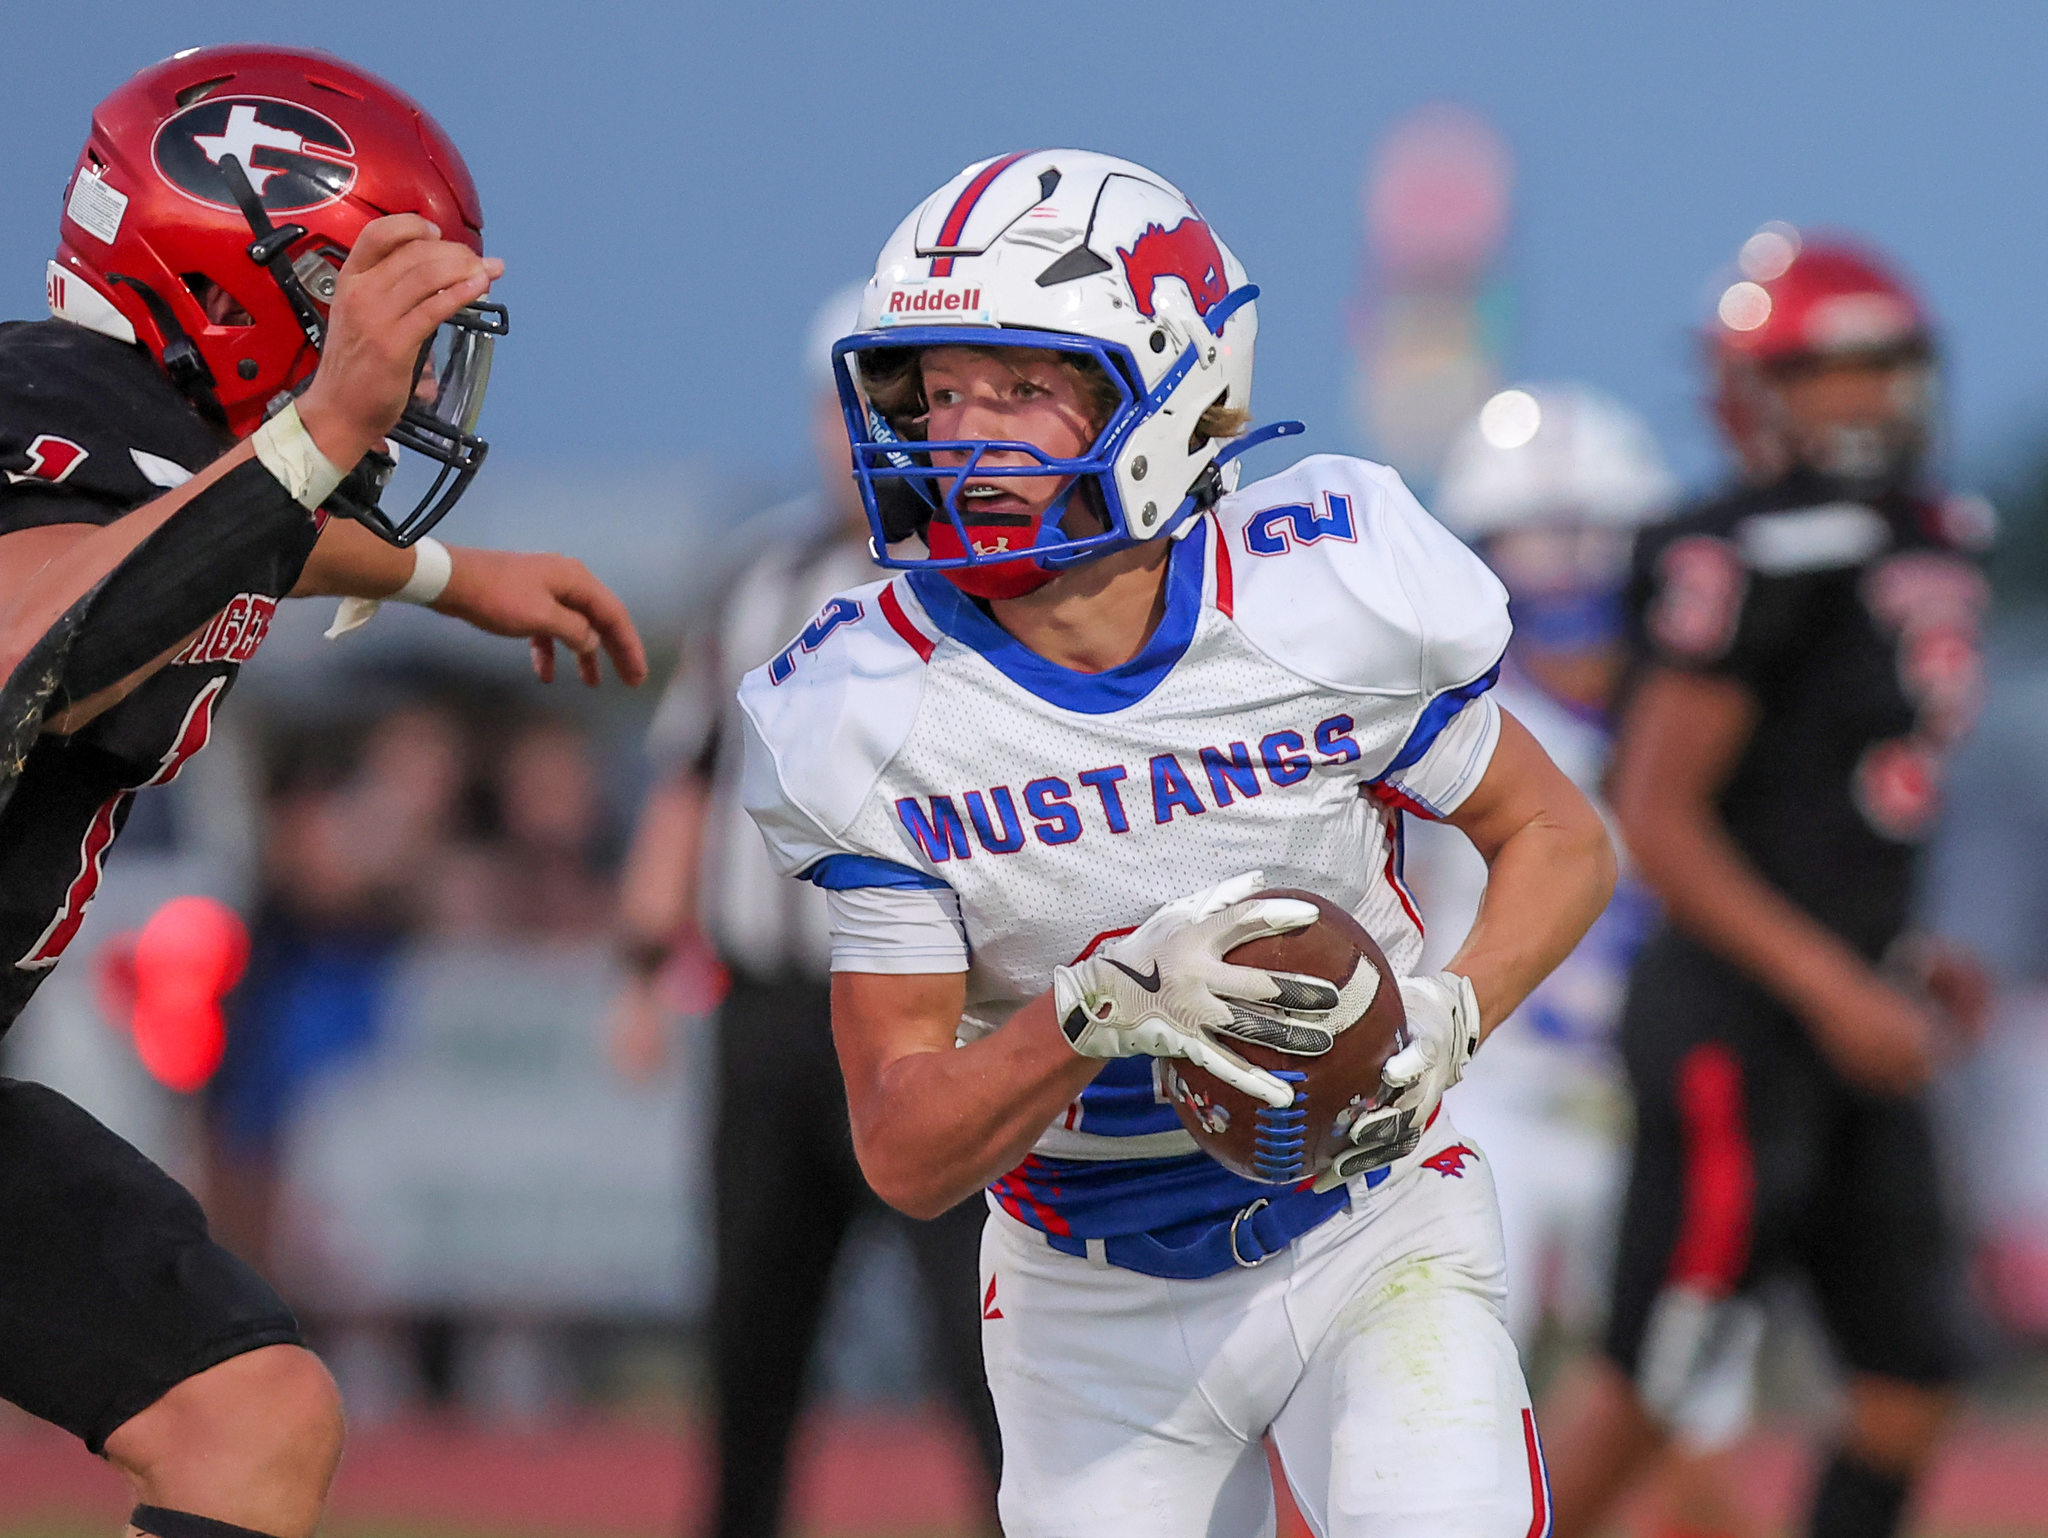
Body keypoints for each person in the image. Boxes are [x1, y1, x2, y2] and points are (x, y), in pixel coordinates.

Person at [737, 150, 1617, 1536]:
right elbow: (904, 1147)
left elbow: (1558, 835)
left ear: (1170, 392)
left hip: (1367, 1219)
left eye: (1019, 387)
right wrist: (1094, 1008)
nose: (962, 433)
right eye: (941, 390)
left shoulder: (1316, 591)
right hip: (1086, 1290)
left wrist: (1450, 1011)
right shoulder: (876, 702)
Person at [0, 45, 645, 1538]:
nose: (408, 381)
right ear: (236, 292)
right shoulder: (56, 420)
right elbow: (34, 640)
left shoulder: (165, 462)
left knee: (248, 1416)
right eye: (377, 317)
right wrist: (314, 438)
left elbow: (209, 530)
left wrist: (448, 574)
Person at [1539, 227, 1991, 1538]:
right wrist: (1832, 981)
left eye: (1883, 366)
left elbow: (1830, 798)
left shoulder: (1925, 531)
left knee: (1909, 1378)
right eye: (1832, 370)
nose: (1867, 397)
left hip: (1857, 1007)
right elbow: (1658, 812)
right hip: (1739, 1018)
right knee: (1656, 1369)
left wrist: (1896, 951)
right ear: (1754, 388)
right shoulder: (1746, 548)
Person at [610, 287, 1001, 1538]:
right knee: (750, 1327)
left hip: (937, 1013)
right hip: (773, 1014)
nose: (855, 441)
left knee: (978, 1332)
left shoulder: (989, 580)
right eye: (838, 412)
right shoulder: (758, 574)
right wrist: (640, 965)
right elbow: (689, 775)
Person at [1422, 385, 1759, 1538]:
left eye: (1590, 535)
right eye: (1535, 538)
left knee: (1676, 1420)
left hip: (1655, 1100)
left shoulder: (1704, 706)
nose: (1565, 569)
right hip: (1483, 1093)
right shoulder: (1433, 712)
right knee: (1433, 1399)